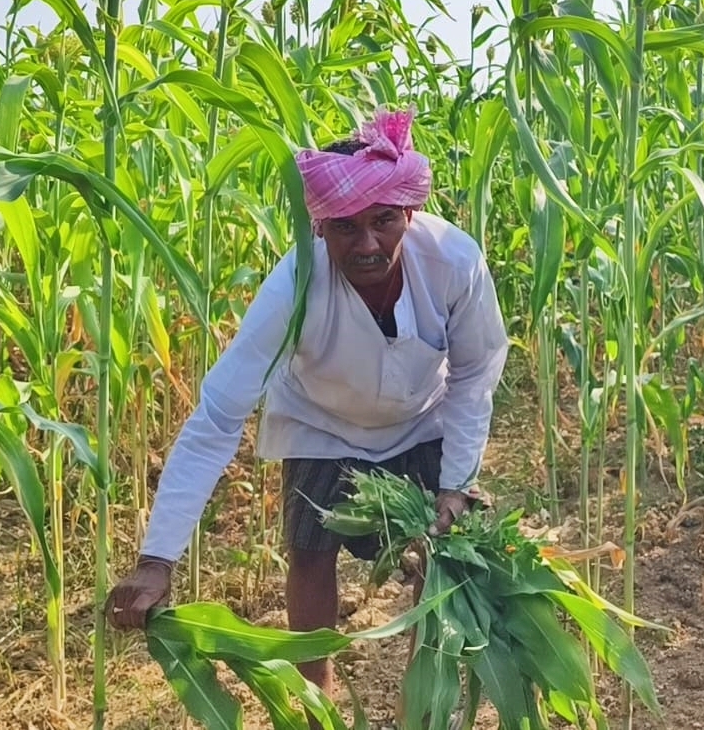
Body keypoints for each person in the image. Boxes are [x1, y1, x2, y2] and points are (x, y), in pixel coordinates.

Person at [104, 105, 509, 698]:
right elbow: (219, 413)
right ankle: (313, 697)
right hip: (320, 422)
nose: (368, 244)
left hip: (423, 418)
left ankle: (428, 692)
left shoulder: (454, 261)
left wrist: (457, 483)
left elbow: (475, 373)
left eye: (384, 222)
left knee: (436, 555)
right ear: (320, 227)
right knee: (311, 554)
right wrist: (156, 560)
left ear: (409, 212)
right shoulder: (293, 285)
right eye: (346, 227)